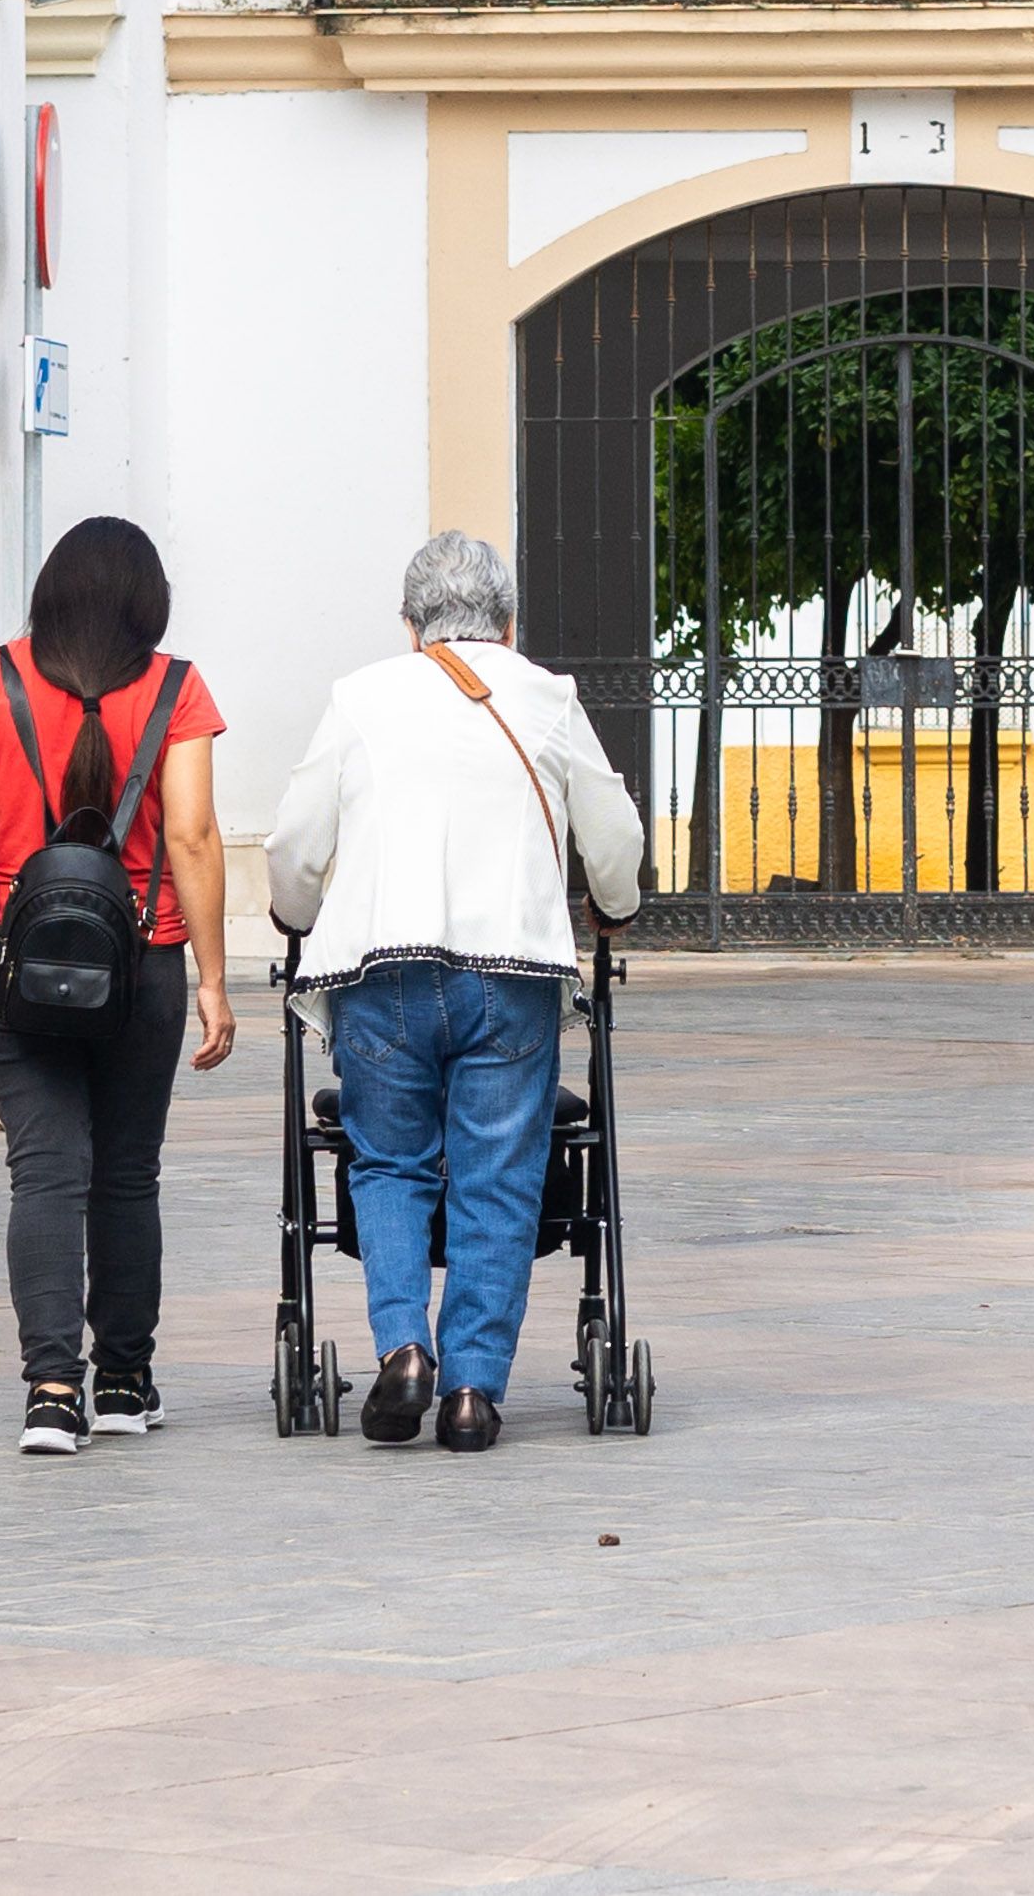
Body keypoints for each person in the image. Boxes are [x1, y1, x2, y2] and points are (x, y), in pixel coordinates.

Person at [265, 530, 646, 1452]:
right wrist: (614, 905)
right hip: (510, 974)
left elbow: (292, 850)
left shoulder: (360, 697)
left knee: (387, 1162)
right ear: (508, 625)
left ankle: (403, 1345)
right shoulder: (547, 697)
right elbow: (616, 839)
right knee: (498, 1180)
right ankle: (474, 1389)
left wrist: (300, 909)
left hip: (382, 973)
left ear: (411, 627)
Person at [0, 516, 232, 1456]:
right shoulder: (177, 688)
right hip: (144, 960)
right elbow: (191, 837)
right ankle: (126, 1381)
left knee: (43, 1169)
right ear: (150, 603)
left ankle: (53, 1392)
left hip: (15, 963)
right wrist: (214, 978)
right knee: (127, 1173)